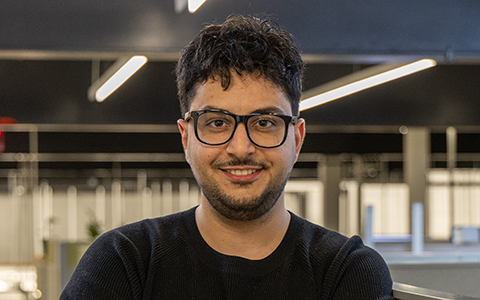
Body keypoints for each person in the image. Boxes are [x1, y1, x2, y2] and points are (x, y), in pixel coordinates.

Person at [61, 15, 394, 299]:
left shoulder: (346, 272)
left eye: (264, 123)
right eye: (217, 123)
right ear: (186, 137)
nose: (240, 148)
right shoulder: (124, 263)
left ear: (297, 138)